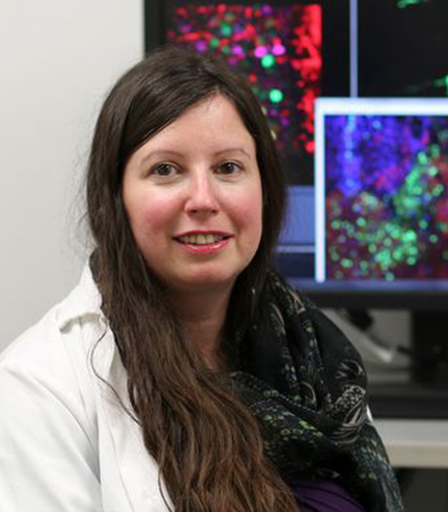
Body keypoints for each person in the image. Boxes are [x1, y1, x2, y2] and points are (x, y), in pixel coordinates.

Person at [0, 46, 403, 512]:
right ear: (114, 199)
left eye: (228, 168)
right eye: (166, 170)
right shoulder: (39, 387)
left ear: (265, 190)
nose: (202, 199)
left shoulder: (315, 355)